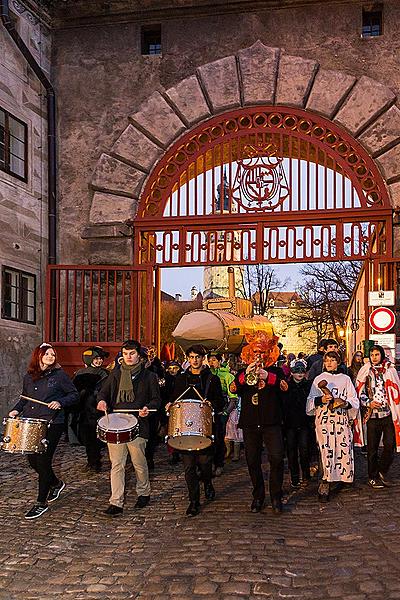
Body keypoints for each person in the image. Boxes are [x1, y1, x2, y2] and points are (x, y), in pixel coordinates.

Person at [9, 343, 79, 519]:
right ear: (38, 356)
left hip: (53, 422)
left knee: (43, 460)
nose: (50, 357)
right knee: (32, 460)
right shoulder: (29, 376)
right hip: (32, 422)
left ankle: (41, 502)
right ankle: (55, 483)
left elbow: (74, 394)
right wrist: (16, 410)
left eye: (53, 354)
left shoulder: (59, 376)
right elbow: (24, 399)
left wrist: (60, 402)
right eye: (47, 354)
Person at [97, 339, 161, 516]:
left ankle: (143, 492)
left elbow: (156, 400)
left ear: (139, 356)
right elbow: (103, 392)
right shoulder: (116, 374)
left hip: (138, 423)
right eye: (125, 354)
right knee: (117, 464)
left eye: (132, 353)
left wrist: (148, 408)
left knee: (139, 462)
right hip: (117, 423)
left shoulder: (149, 376)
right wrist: (101, 401)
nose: (129, 357)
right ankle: (116, 502)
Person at [168, 345, 224, 517]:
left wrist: (211, 404)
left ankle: (207, 482)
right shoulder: (181, 379)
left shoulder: (211, 379)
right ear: (188, 358)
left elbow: (220, 401)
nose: (195, 360)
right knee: (189, 467)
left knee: (206, 463)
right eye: (191, 357)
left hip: (205, 427)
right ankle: (194, 501)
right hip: (185, 428)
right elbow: (173, 399)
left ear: (203, 358)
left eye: (198, 357)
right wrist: (170, 404)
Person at [234, 333, 287, 514]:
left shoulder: (277, 371)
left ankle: (276, 496)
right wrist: (246, 374)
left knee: (277, 458)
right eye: (256, 352)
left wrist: (268, 376)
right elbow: (234, 388)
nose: (259, 356)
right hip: (250, 423)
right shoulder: (243, 371)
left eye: (262, 353)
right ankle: (258, 495)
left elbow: (285, 388)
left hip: (271, 422)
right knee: (252, 461)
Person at [306, 351, 359, 502]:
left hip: (341, 420)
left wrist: (344, 403)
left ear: (338, 362)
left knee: (341, 450)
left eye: (332, 360)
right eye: (327, 360)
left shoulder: (345, 379)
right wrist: (321, 399)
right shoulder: (319, 379)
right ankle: (324, 483)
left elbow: (354, 400)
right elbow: (309, 402)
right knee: (325, 451)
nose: (329, 363)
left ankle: (341, 477)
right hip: (324, 421)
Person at [356, 345, 400, 489]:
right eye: (372, 354)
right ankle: (372, 476)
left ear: (381, 355)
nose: (375, 357)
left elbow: (396, 389)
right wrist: (368, 402)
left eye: (377, 354)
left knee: (389, 445)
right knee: (372, 448)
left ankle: (382, 469)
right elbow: (359, 392)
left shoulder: (390, 370)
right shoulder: (365, 371)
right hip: (372, 416)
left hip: (387, 414)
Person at [73, 346, 109, 472]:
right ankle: (92, 460)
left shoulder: (104, 373)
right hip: (85, 411)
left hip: (98, 410)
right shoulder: (80, 374)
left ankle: (95, 461)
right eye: (96, 358)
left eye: (101, 359)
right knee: (88, 437)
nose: (99, 361)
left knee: (97, 437)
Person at [282, 359, 312, 488]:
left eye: (302, 371)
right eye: (296, 371)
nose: (299, 373)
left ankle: (305, 475)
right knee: (292, 451)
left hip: (304, 422)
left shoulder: (309, 385)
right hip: (290, 423)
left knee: (304, 450)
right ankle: (295, 476)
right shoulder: (287, 386)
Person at [208, 352, 236, 476]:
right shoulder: (207, 375)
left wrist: (226, 412)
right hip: (207, 410)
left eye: (214, 360)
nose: (211, 363)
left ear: (220, 361)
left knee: (219, 437)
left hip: (221, 409)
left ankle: (219, 463)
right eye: (209, 360)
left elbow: (233, 397)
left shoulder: (228, 376)